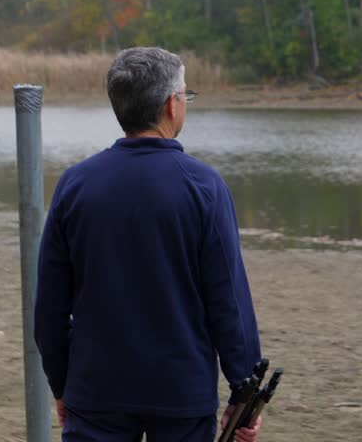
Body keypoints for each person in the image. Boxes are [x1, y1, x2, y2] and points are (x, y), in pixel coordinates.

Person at [34, 47, 264, 442]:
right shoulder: (204, 187)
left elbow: (50, 307)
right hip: (181, 392)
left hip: (96, 389)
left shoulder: (75, 185)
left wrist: (62, 384)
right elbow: (228, 300)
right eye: (185, 95)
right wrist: (244, 391)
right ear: (172, 105)